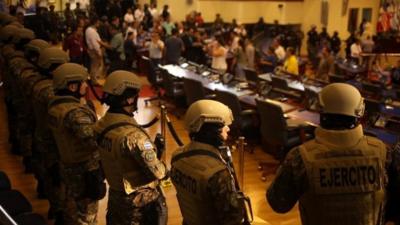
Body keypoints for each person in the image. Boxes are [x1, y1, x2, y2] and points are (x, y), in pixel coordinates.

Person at [267, 83, 388, 225]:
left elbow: (278, 203)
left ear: (321, 112)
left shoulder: (300, 157)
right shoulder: (383, 153)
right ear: (359, 113)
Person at [94, 70, 168, 225]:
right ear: (128, 99)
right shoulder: (134, 136)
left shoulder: (100, 124)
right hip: (138, 204)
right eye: (135, 96)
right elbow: (159, 172)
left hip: (115, 196)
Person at [170, 99, 246, 225]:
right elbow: (231, 219)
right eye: (223, 126)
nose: (227, 129)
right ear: (211, 129)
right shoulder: (217, 172)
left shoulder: (177, 156)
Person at [47, 63, 105, 225]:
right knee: (87, 216)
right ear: (72, 86)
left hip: (67, 166)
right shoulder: (76, 113)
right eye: (83, 82)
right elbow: (94, 141)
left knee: (71, 209)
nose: (86, 85)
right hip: (85, 172)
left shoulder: (55, 107)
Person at [34, 46, 70, 224]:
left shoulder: (38, 83)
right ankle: (59, 212)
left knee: (50, 175)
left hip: (43, 135)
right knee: (58, 180)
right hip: (54, 141)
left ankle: (55, 208)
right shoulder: (50, 91)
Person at [85, 16, 107, 84]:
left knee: (94, 65)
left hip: (92, 49)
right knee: (95, 66)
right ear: (95, 22)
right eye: (98, 22)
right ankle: (94, 81)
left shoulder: (89, 29)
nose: (99, 23)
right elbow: (95, 44)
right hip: (94, 50)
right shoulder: (91, 31)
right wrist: (99, 52)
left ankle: (93, 79)